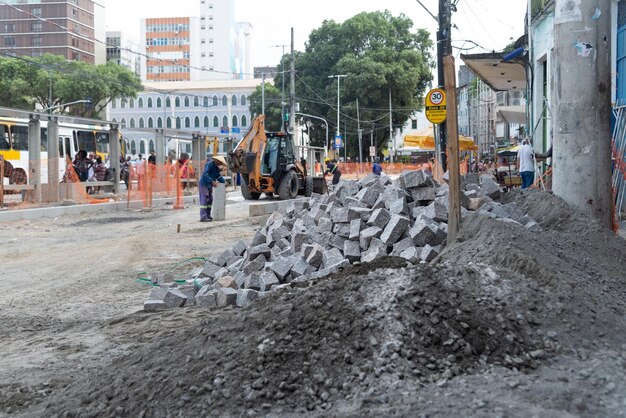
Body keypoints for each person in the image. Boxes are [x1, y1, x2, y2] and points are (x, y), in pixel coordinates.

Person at [198, 155, 226, 222]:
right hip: (204, 184)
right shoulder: (209, 164)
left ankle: (208, 215)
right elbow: (205, 174)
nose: (220, 164)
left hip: (209, 185)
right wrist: (212, 181)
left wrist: (224, 182)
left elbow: (218, 176)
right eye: (220, 162)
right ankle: (203, 217)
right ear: (217, 161)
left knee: (210, 200)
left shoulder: (216, 167)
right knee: (204, 200)